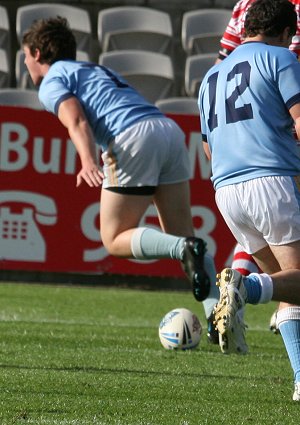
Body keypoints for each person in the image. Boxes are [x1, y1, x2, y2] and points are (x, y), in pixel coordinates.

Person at [21, 16, 220, 343]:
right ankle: (219, 321)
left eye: (27, 55)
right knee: (182, 235)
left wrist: (86, 160)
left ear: (38, 53)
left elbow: (77, 121)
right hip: (166, 130)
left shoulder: (52, 79)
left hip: (130, 136)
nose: (26, 62)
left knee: (114, 237)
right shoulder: (93, 69)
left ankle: (185, 248)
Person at [199, 0, 300, 400]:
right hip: (271, 181)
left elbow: (207, 149)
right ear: (286, 33)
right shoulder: (280, 58)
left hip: (226, 191)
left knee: (288, 287)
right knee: (287, 281)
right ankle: (245, 287)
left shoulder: (210, 75)